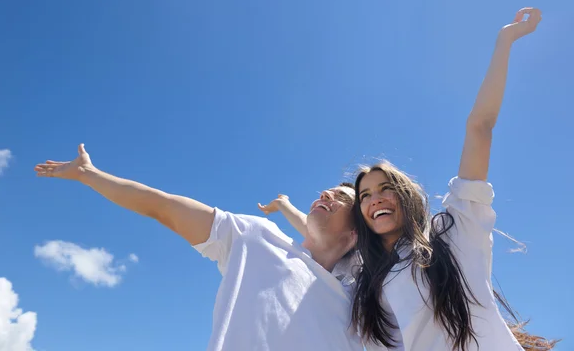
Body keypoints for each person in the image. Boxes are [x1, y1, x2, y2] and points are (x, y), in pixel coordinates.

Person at [350, 7, 557, 350]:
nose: (375, 199)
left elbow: (480, 127)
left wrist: (505, 40)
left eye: (387, 188)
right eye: (365, 195)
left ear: (407, 197)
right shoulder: (367, 284)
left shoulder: (454, 231)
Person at [34, 148, 363, 351]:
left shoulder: (362, 304)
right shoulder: (256, 236)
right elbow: (160, 205)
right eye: (327, 191)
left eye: (341, 198)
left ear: (355, 232)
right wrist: (89, 175)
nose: (325, 194)